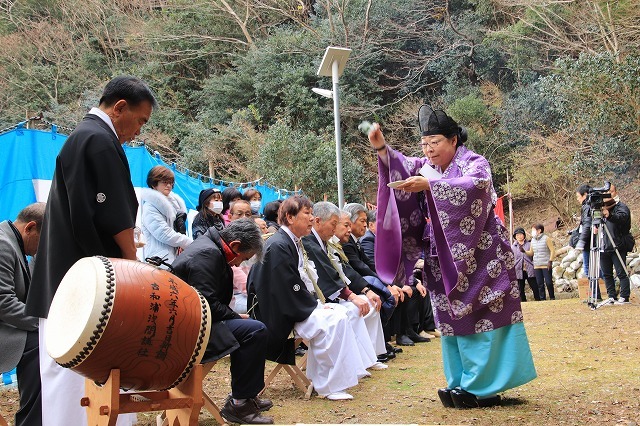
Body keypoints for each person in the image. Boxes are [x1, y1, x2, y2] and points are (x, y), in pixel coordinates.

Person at [369, 105, 536, 409]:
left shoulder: (475, 162)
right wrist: (381, 147)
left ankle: (483, 386)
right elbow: (401, 164)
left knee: (482, 316)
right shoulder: (425, 164)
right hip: (442, 259)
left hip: (483, 258)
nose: (428, 150)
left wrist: (431, 185)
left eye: (435, 143)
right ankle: (459, 380)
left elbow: (477, 186)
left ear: (454, 140)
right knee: (449, 317)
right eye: (424, 144)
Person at [26, 75, 156, 426]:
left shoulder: (84, 138)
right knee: (80, 378)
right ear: (119, 108)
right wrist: (132, 264)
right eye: (140, 121)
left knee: (64, 379)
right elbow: (114, 218)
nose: (139, 131)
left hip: (65, 281)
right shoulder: (98, 141)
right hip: (84, 289)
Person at [247, 195, 369, 400]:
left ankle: (334, 376)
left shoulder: (292, 241)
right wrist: (314, 306)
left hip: (289, 304)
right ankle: (328, 385)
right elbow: (286, 287)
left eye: (312, 213)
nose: (312, 218)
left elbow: (297, 283)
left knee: (341, 312)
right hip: (275, 313)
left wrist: (317, 305)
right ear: (290, 217)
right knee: (334, 318)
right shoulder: (279, 245)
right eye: (307, 213)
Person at [171, 219, 273, 424]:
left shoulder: (210, 246)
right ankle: (239, 404)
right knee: (254, 331)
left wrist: (233, 316)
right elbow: (205, 304)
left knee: (252, 329)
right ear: (234, 245)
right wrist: (234, 316)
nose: (239, 264)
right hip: (188, 329)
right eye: (243, 258)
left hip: (195, 320)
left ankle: (247, 396)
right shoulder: (208, 253)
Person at [302, 202, 387, 369]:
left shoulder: (326, 242)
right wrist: (350, 296)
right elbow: (327, 275)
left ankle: (368, 357)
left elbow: (344, 270)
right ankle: (354, 362)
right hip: (318, 299)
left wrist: (364, 291)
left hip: (331, 294)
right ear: (319, 221)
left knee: (368, 303)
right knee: (352, 310)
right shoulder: (309, 242)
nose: (336, 229)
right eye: (336, 224)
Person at [0, 203, 45, 426]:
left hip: (7, 325)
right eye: (42, 241)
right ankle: (30, 420)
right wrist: (44, 324)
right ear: (30, 228)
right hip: (4, 329)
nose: (39, 250)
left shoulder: (12, 241)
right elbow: (4, 303)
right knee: (41, 346)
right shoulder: (2, 244)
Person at [141, 165, 192, 264]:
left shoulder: (175, 205)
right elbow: (165, 234)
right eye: (165, 182)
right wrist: (190, 243)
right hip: (159, 261)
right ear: (154, 184)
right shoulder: (150, 207)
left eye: (171, 182)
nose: (169, 185)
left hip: (174, 259)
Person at [598, 184, 632, 306]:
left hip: (617, 244)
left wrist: (610, 215)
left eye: (610, 192)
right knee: (606, 274)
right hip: (603, 244)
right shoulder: (601, 208)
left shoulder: (621, 207)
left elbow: (622, 218)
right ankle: (611, 296)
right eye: (606, 193)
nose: (608, 195)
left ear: (615, 192)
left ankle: (624, 296)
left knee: (621, 271)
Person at [524, 224, 556, 300]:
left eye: (533, 230)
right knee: (540, 283)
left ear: (539, 231)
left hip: (546, 264)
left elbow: (552, 250)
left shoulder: (546, 239)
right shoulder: (533, 240)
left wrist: (550, 261)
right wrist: (524, 251)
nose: (532, 232)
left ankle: (552, 297)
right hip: (537, 265)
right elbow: (531, 253)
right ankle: (542, 298)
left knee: (548, 282)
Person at [512, 227, 540, 302]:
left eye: (521, 234)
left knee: (534, 286)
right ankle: (523, 302)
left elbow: (534, 255)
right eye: (517, 235)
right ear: (515, 237)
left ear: (524, 235)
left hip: (529, 268)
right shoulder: (513, 247)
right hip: (518, 269)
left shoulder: (530, 244)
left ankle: (538, 300)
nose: (519, 236)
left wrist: (533, 264)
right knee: (520, 288)